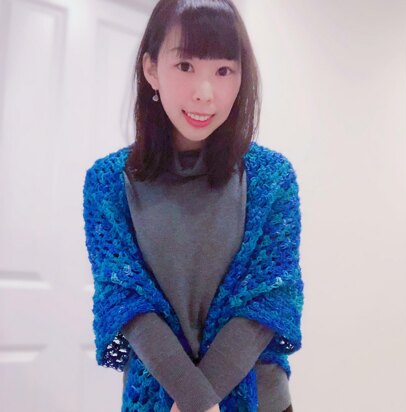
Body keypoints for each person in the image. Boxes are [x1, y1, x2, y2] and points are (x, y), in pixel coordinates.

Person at [82, 1, 303, 411]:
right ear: (152, 69)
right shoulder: (108, 182)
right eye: (185, 66)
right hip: (158, 402)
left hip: (260, 401)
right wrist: (196, 400)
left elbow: (268, 300)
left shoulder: (273, 178)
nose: (205, 92)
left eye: (224, 71)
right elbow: (127, 303)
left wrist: (198, 402)